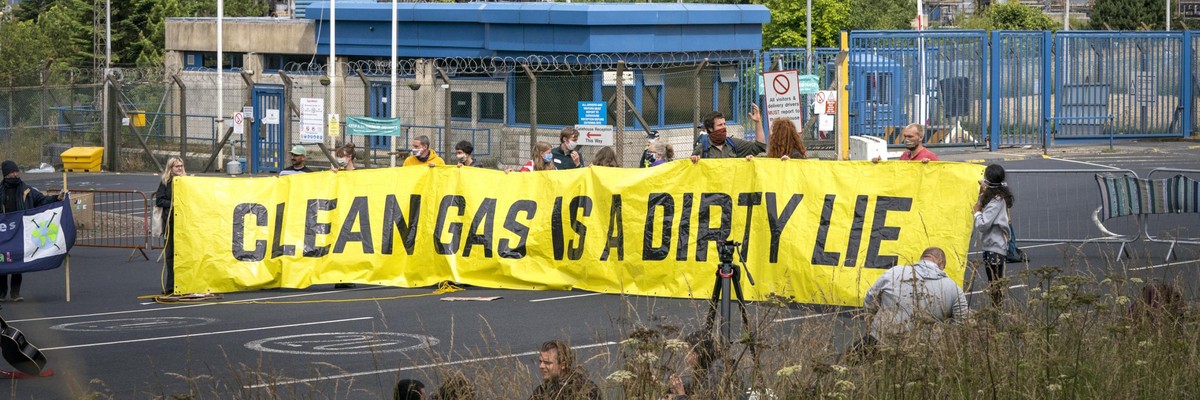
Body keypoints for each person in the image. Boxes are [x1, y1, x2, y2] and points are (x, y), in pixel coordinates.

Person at [845, 247, 969, 360]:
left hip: (882, 339)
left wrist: (872, 322)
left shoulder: (894, 272)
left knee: (847, 360)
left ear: (922, 258)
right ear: (942, 265)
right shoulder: (954, 289)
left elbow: (870, 299)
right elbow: (962, 325)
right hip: (924, 350)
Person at [0, 160, 64, 302]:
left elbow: (41, 200)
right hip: (3, 233)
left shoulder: (26, 190)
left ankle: (15, 293)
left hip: (20, 232)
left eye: (16, 171)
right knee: (2, 261)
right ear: (5, 174)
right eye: (11, 172)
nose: (15, 174)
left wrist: (56, 198)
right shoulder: (0, 191)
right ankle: (2, 293)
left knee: (17, 262)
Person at [973, 164, 1013, 307]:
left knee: (995, 283)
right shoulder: (995, 197)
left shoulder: (997, 200)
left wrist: (977, 212)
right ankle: (996, 309)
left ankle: (997, 311)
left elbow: (983, 224)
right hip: (990, 245)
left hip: (995, 247)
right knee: (993, 282)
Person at [689, 103, 766, 162]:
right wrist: (693, 160)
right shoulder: (702, 148)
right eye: (720, 125)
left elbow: (759, 146)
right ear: (710, 129)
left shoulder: (733, 144)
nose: (724, 127)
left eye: (724, 124)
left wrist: (758, 122)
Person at [155, 158, 187, 295]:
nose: (179, 168)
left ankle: (185, 283)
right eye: (176, 166)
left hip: (185, 223)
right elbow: (159, 200)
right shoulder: (165, 182)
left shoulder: (187, 182)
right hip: (170, 222)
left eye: (181, 166)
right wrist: (173, 204)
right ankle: (170, 286)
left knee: (185, 254)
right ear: (171, 168)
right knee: (170, 254)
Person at [530, 339, 601, 400]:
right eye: (540, 361)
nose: (541, 366)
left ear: (563, 365)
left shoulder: (585, 390)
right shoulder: (541, 392)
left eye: (547, 362)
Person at [665, 331, 717, 400]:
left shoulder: (713, 377)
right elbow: (693, 386)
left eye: (687, 350)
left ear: (697, 353)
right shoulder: (706, 369)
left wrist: (681, 394)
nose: (686, 355)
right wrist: (675, 386)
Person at [873, 123, 938, 163]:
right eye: (905, 136)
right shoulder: (905, 155)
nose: (906, 140)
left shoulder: (930, 157)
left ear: (920, 137)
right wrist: (881, 164)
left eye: (910, 137)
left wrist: (929, 166)